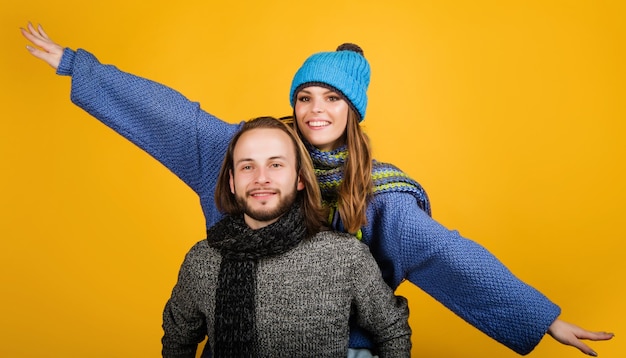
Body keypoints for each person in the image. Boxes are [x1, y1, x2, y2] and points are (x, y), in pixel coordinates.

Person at [21, 23, 614, 357]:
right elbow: (174, 117)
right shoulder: (252, 155)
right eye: (306, 95)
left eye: (332, 98)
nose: (316, 109)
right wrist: (80, 67)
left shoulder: (380, 194)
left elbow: (446, 254)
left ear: (353, 110)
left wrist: (541, 317)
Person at [161, 116, 411, 357]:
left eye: (276, 165)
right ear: (233, 182)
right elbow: (177, 338)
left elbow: (391, 329)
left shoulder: (345, 257)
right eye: (247, 166)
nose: (261, 178)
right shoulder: (203, 261)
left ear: (300, 178)